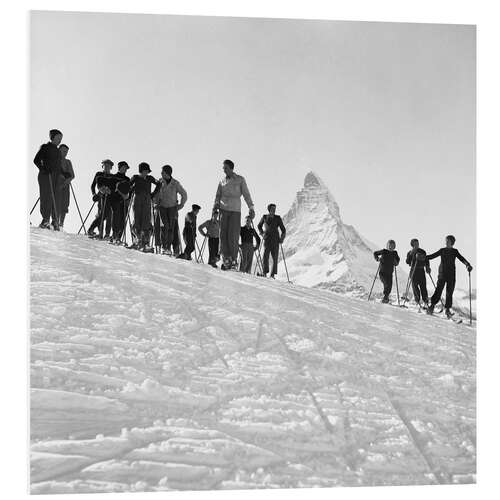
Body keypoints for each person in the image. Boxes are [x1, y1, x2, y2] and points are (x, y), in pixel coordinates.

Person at [213, 159, 255, 270]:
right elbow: (218, 195)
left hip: (235, 210)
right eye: (223, 168)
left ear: (231, 168)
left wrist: (251, 207)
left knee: (233, 235)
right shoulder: (222, 182)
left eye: (225, 168)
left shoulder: (240, 180)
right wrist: (215, 206)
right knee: (223, 234)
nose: (223, 170)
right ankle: (226, 258)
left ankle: (233, 259)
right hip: (223, 209)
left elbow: (246, 194)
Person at [426, 235, 473, 317]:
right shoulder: (442, 250)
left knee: (449, 292)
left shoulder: (455, 251)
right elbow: (432, 256)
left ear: (452, 242)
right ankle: (432, 306)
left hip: (451, 274)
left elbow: (462, 259)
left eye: (447, 241)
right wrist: (423, 257)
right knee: (439, 290)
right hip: (442, 274)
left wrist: (467, 265)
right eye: (446, 241)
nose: (446, 242)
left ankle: (447, 310)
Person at [152, 165, 187, 255]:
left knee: (171, 228)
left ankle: (168, 247)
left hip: (172, 208)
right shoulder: (160, 182)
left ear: (167, 173)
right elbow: (155, 193)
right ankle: (164, 247)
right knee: (163, 227)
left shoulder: (175, 183)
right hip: (162, 207)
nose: (161, 173)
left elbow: (184, 194)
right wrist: (155, 203)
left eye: (163, 172)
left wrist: (181, 205)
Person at [33, 129, 63, 229]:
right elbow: (36, 160)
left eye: (61, 138)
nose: (60, 140)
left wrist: (64, 173)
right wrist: (43, 168)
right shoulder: (45, 147)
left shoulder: (58, 151)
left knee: (55, 197)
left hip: (55, 176)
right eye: (58, 138)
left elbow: (58, 166)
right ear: (52, 137)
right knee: (46, 196)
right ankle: (45, 219)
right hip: (45, 175)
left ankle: (55, 220)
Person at [129, 162, 156, 251]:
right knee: (137, 219)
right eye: (145, 171)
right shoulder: (135, 177)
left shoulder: (150, 178)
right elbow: (129, 185)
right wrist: (131, 190)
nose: (146, 173)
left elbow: (158, 184)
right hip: (137, 198)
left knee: (146, 220)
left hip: (147, 199)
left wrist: (153, 194)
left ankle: (145, 243)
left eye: (147, 171)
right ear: (141, 171)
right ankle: (137, 240)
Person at [257, 204, 286, 278]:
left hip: (276, 240)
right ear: (269, 209)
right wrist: (262, 234)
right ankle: (264, 273)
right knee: (265, 256)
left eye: (275, 208)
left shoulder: (278, 218)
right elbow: (259, 226)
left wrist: (281, 239)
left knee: (275, 257)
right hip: (267, 238)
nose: (274, 210)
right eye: (272, 208)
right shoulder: (264, 217)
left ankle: (272, 275)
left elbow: (283, 230)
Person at [88, 159, 115, 238]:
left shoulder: (112, 176)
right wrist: (94, 194)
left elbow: (114, 188)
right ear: (102, 166)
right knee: (102, 214)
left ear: (111, 167)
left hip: (110, 197)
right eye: (105, 166)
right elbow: (93, 185)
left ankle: (106, 234)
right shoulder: (99, 174)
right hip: (101, 196)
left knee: (109, 215)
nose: (106, 167)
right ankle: (99, 232)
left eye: (108, 166)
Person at [109, 161, 131, 243]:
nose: (125, 169)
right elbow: (112, 189)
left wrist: (128, 198)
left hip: (125, 201)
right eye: (124, 168)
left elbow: (130, 190)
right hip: (115, 200)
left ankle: (118, 237)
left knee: (122, 218)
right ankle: (114, 235)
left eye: (126, 168)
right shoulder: (113, 177)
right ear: (120, 168)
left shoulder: (127, 179)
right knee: (116, 218)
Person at [406, 238, 431, 307]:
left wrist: (427, 267)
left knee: (423, 287)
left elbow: (426, 260)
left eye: (418, 243)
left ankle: (426, 302)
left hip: (421, 271)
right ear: (412, 245)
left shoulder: (422, 251)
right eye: (415, 244)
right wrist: (412, 254)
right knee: (415, 287)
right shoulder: (410, 252)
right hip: (413, 271)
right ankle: (417, 301)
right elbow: (407, 261)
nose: (417, 245)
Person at [57, 144, 75, 229]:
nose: (65, 153)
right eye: (63, 151)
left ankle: (61, 223)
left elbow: (72, 175)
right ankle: (55, 221)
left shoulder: (68, 162)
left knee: (64, 204)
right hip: (55, 184)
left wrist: (65, 182)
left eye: (66, 152)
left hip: (66, 184)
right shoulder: (55, 160)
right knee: (56, 202)